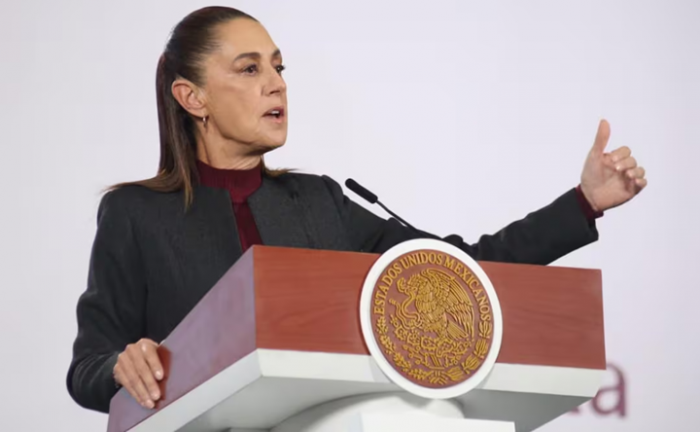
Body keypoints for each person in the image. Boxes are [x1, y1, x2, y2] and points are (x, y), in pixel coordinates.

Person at [66, 6, 647, 414]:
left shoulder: (320, 202)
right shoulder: (135, 214)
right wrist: (120, 365)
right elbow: (87, 367)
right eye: (250, 69)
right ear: (192, 97)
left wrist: (583, 203)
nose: (276, 84)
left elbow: (456, 270)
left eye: (278, 67)